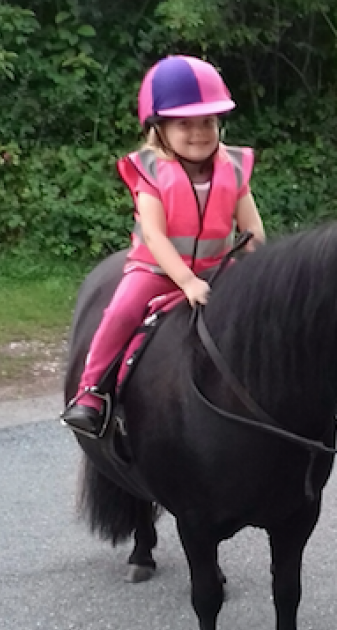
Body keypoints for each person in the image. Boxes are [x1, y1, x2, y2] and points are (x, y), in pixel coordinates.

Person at [62, 55, 266, 434]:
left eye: (208, 122)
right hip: (157, 271)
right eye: (184, 124)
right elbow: (154, 235)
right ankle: (90, 392)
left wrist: (263, 265)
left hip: (219, 268)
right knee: (121, 311)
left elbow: (252, 227)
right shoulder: (151, 170)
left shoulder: (235, 167)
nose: (199, 132)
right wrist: (187, 282)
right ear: (159, 127)